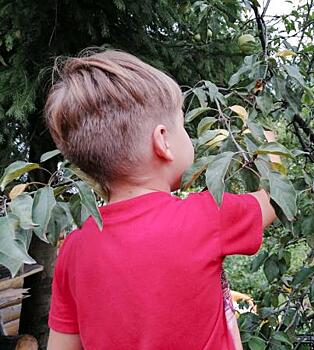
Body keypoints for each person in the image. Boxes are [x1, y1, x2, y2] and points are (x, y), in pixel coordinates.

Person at [45, 49, 279, 350]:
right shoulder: (206, 216)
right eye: (182, 125)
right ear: (163, 142)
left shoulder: (74, 250)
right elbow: (274, 201)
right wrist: (268, 148)